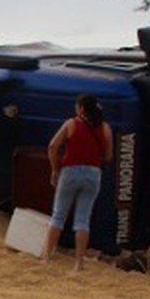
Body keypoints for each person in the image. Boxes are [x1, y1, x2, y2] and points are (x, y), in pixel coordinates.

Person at [42, 94, 113, 271]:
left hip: (71, 171)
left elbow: (52, 146)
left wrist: (54, 169)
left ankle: (46, 256)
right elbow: (109, 156)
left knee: (58, 215)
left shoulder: (71, 124)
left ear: (81, 108)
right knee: (83, 220)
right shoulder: (105, 128)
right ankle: (78, 263)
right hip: (93, 174)